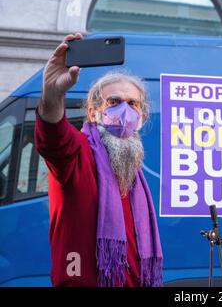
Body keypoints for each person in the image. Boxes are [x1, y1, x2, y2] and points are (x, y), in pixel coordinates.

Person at [35, 33, 163, 286]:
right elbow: (53, 139)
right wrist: (52, 94)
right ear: (93, 112)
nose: (124, 110)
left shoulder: (132, 169)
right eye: (114, 102)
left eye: (132, 104)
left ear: (142, 116)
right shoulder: (79, 152)